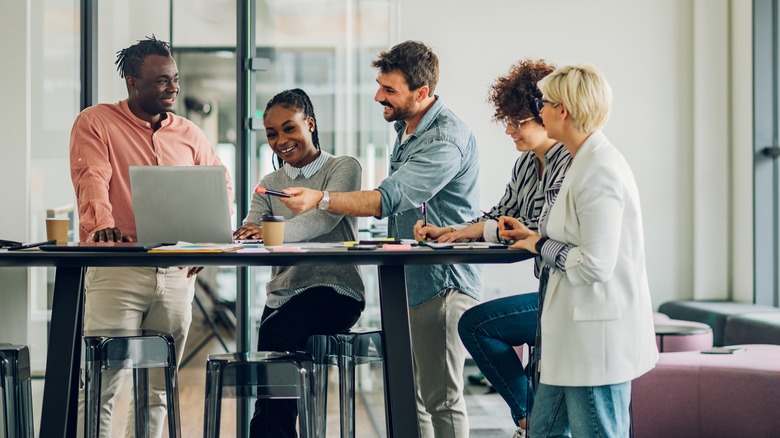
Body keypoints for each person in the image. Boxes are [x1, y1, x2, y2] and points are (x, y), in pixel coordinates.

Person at [279, 40, 482, 437]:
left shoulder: (444, 139)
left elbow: (386, 199)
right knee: (412, 399)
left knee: (441, 400)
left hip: (442, 285)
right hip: (409, 285)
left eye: (389, 90)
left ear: (421, 93)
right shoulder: (408, 128)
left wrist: (321, 198)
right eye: (379, 85)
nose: (378, 96)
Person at [69, 36, 233, 437]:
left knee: (157, 390)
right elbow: (92, 178)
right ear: (131, 81)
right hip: (118, 270)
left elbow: (220, 186)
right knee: (103, 384)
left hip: (177, 276)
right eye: (161, 81)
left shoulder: (190, 134)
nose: (173, 88)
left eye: (175, 79)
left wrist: (207, 240)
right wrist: (101, 223)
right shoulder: (97, 122)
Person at [499, 63, 658, 437]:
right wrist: (531, 234)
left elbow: (594, 265)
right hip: (569, 340)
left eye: (544, 102)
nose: (540, 109)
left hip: (593, 342)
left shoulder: (600, 170)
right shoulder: (578, 162)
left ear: (563, 110)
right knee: (543, 431)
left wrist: (539, 243)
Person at [414, 59, 570, 438]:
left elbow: (533, 231)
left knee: (477, 325)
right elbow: (502, 218)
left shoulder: (570, 163)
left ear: (545, 114)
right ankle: (535, 423)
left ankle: (531, 422)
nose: (509, 130)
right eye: (507, 120)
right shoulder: (525, 165)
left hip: (569, 292)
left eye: (518, 122)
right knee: (478, 326)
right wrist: (449, 231)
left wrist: (495, 230)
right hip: (549, 289)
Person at [233, 88, 366, 437]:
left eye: (289, 128)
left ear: (310, 123)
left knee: (275, 332)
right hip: (283, 295)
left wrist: (265, 232)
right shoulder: (269, 183)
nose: (281, 140)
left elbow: (321, 221)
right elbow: (253, 229)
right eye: (272, 134)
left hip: (335, 291)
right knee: (273, 346)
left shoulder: (343, 168)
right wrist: (251, 233)